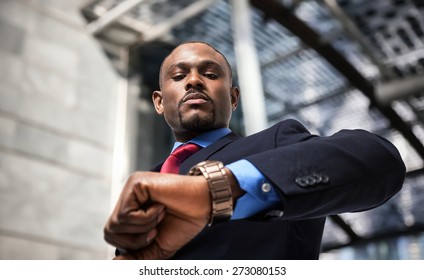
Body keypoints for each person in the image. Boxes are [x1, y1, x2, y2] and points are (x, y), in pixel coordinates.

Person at [103, 41, 406, 260]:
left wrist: (218, 191)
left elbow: (380, 160)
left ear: (233, 98)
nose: (194, 80)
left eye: (210, 73)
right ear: (158, 101)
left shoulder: (274, 144)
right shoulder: (145, 185)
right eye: (179, 76)